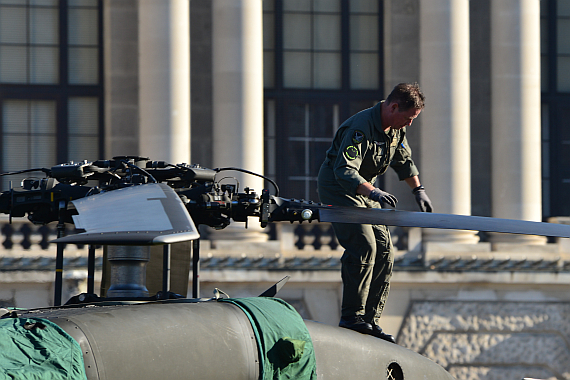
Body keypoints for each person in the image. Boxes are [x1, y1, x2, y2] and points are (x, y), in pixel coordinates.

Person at [317, 83, 433, 343]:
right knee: (364, 245)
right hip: (340, 190)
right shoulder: (359, 128)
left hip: (366, 191)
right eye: (408, 118)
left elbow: (403, 161)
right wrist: (374, 193)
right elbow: (344, 171)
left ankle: (370, 318)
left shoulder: (395, 129)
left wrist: (418, 191)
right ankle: (352, 317)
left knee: (385, 250)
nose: (409, 124)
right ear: (393, 107)